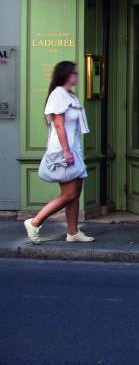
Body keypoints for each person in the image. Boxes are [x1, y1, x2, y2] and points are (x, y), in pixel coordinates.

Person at [24, 61, 95, 244]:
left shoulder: (68, 95)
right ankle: (34, 222)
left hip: (73, 148)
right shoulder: (58, 95)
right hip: (64, 149)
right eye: (74, 73)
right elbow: (58, 125)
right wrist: (66, 151)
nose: (77, 75)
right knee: (69, 194)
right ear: (65, 75)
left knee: (75, 193)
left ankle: (73, 232)